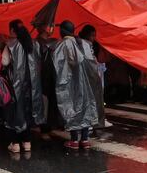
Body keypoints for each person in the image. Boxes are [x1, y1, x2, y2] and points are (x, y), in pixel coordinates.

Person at [54, 21, 100, 150]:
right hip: (85, 82)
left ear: (62, 31)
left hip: (68, 83)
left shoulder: (62, 45)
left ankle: (74, 139)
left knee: (70, 107)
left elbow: (58, 66)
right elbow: (93, 64)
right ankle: (85, 139)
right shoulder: (84, 44)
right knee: (85, 107)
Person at [2, 20, 44, 154]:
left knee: (15, 113)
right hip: (32, 87)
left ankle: (15, 144)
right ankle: (27, 143)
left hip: (16, 86)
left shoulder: (10, 45)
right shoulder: (35, 44)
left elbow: (4, 61)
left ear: (13, 31)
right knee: (27, 113)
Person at [78, 25, 108, 131]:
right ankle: (92, 121)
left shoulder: (84, 44)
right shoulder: (85, 45)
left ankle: (93, 121)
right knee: (92, 98)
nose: (93, 38)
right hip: (90, 76)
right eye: (92, 35)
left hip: (91, 75)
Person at [35, 23, 59, 139]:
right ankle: (43, 128)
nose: (51, 28)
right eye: (50, 25)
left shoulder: (54, 42)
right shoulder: (37, 42)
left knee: (52, 101)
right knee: (44, 102)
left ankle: (50, 126)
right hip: (42, 75)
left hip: (52, 75)